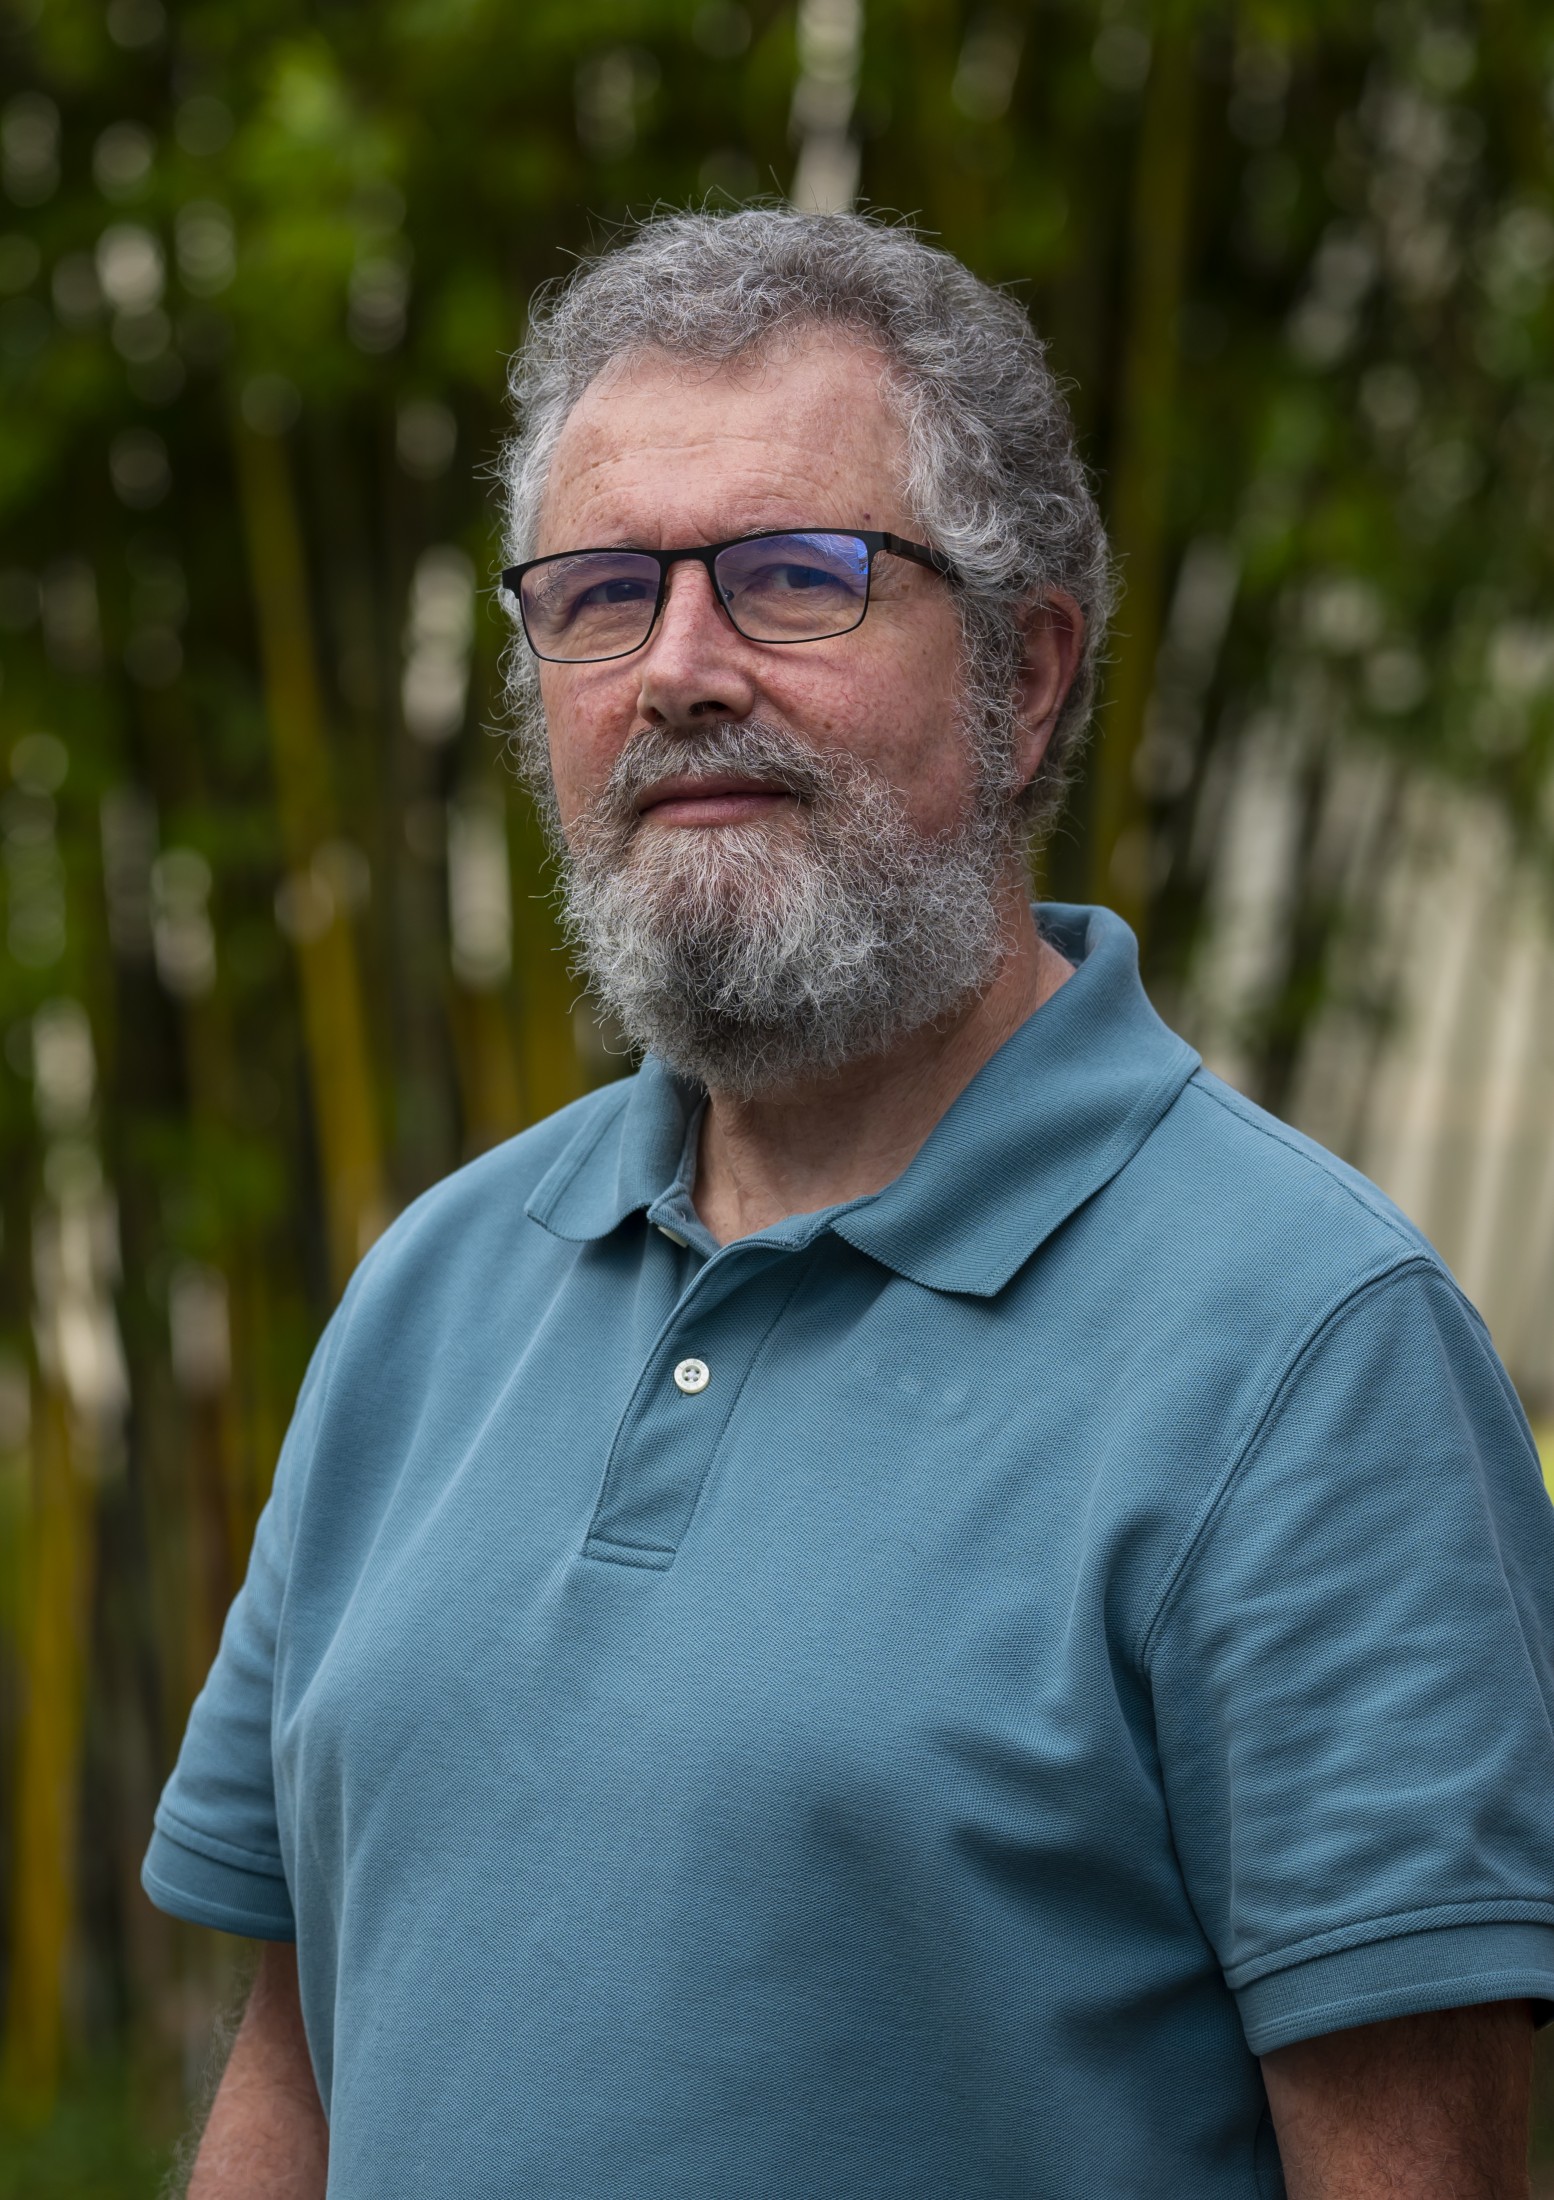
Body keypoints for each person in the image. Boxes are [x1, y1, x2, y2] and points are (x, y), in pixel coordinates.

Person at [144, 208, 1554, 2199]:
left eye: (795, 579)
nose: (683, 670)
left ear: (1030, 672)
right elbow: (295, 2068)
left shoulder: (1310, 1347)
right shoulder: (428, 1293)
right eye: (604, 594)